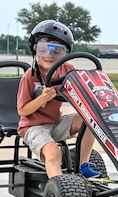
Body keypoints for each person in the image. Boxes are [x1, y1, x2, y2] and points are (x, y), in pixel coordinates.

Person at [17, 20, 102, 179]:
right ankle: (60, 188)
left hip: (56, 123)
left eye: (57, 51)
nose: (49, 55)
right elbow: (22, 110)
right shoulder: (30, 76)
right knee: (53, 152)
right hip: (33, 127)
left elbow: (79, 90)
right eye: (43, 50)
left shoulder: (67, 69)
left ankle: (83, 165)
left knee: (91, 121)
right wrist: (42, 97)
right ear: (35, 50)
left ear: (65, 54)